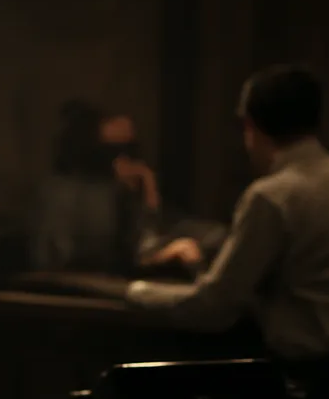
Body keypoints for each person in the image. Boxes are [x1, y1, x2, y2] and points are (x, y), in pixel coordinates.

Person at [127, 65, 329, 399]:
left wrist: (140, 291)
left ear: (251, 125)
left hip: (308, 389)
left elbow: (214, 308)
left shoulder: (273, 195)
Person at [31, 100, 224, 274]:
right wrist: (170, 251)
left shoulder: (123, 193)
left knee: (216, 237)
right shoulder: (78, 196)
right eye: (115, 153)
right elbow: (129, 255)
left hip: (142, 247)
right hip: (94, 285)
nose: (131, 163)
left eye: (132, 151)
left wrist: (149, 193)